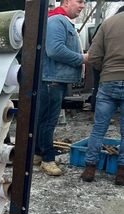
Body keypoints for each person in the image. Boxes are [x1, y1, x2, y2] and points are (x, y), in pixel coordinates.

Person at [34, 0, 87, 176]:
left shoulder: (60, 20)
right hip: (52, 79)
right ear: (66, 2)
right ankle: (47, 159)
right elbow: (55, 50)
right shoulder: (57, 21)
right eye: (79, 1)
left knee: (43, 119)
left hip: (54, 79)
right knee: (48, 121)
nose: (82, 5)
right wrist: (82, 58)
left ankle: (37, 154)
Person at [80, 7, 124, 185]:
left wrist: (105, 70)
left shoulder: (107, 23)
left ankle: (89, 169)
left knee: (98, 128)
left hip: (108, 80)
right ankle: (121, 173)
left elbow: (93, 57)